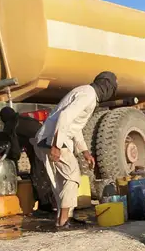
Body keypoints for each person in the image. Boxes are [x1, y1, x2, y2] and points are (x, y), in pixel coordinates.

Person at [34, 71, 118, 230]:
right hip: (54, 140)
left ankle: (62, 219)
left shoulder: (86, 93)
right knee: (72, 176)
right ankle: (64, 220)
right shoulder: (88, 95)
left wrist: (85, 151)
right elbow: (65, 116)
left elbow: (75, 126)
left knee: (61, 183)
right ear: (106, 86)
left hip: (48, 138)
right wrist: (56, 146)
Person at [0, 106, 54, 217]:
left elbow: (15, 151)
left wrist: (11, 163)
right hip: (48, 144)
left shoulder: (11, 125)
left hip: (39, 147)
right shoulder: (23, 119)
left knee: (38, 175)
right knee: (46, 174)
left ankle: (46, 207)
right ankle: (50, 204)